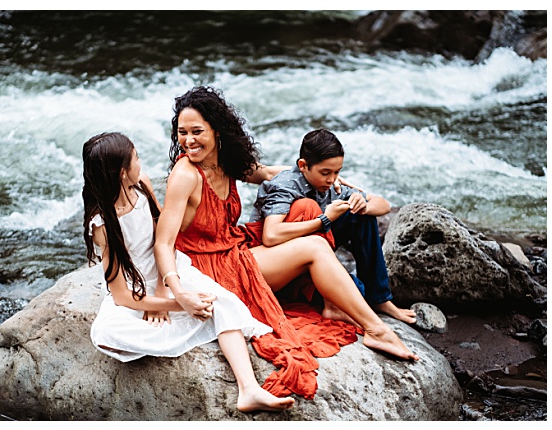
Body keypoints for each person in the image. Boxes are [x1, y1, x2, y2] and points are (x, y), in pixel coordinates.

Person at [155, 86, 417, 402]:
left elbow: (267, 172)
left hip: (232, 246)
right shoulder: (185, 175)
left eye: (197, 131)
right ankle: (377, 330)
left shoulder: (227, 160)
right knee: (315, 246)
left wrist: (327, 178)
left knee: (305, 209)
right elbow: (164, 241)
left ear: (218, 131)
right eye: (182, 133)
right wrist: (174, 291)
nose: (188, 141)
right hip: (210, 265)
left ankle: (343, 307)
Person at [83, 131, 292, 414]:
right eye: (137, 158)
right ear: (122, 173)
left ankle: (249, 389)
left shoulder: (142, 186)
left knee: (222, 302)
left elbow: (163, 238)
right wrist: (177, 303)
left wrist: (170, 288)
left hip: (171, 269)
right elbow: (121, 296)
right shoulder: (103, 224)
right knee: (106, 332)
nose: (140, 163)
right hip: (138, 289)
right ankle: (194, 321)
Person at [245, 128, 416, 325]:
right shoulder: (285, 185)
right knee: (356, 291)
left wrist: (363, 205)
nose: (331, 179)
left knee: (360, 213)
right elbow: (271, 236)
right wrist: (325, 219)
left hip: (310, 252)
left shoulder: (329, 184)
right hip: (278, 264)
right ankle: (330, 301)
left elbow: (383, 205)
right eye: (325, 172)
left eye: (337, 172)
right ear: (303, 166)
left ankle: (380, 299)